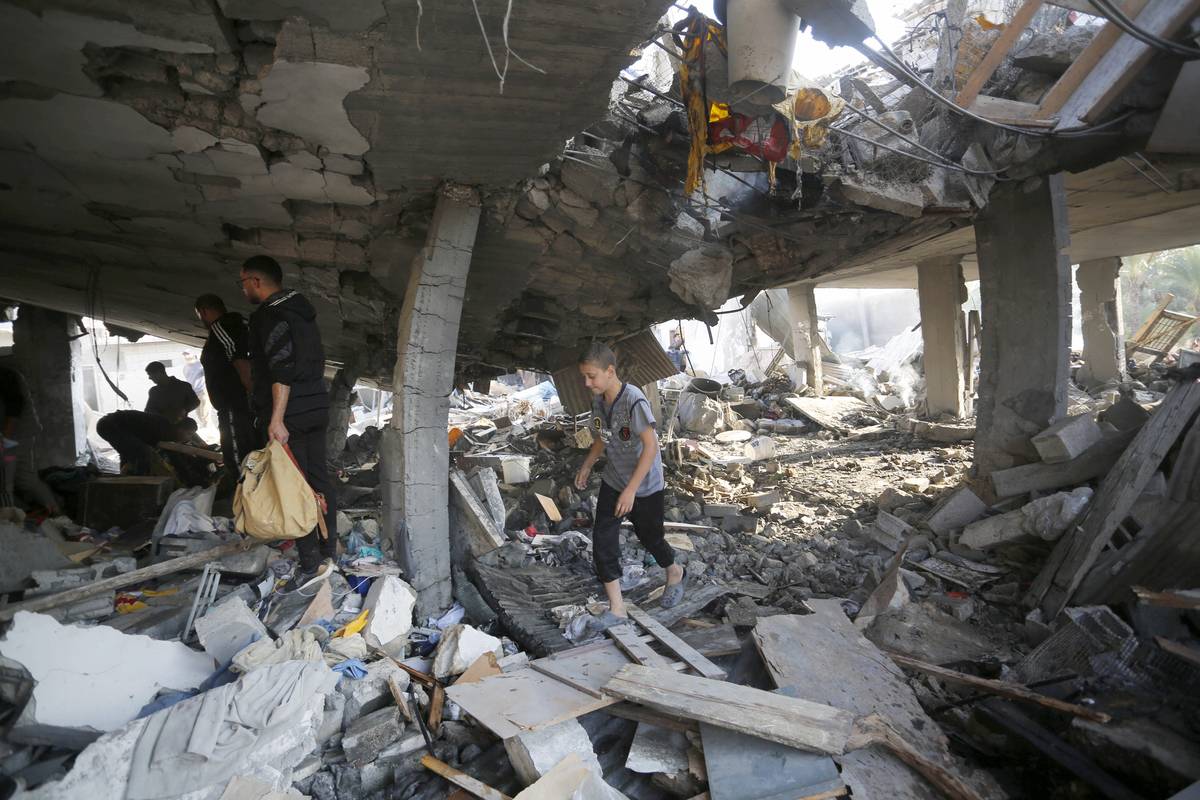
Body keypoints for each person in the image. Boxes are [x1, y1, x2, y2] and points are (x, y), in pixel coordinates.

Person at [240, 255, 337, 588]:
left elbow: (281, 369)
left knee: (295, 485)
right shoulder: (302, 311)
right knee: (319, 477)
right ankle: (329, 551)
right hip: (316, 405)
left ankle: (311, 564)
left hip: (291, 411)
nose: (243, 289)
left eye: (243, 282)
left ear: (255, 281)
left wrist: (277, 418)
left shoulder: (270, 316)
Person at [574, 342, 684, 629]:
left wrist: (632, 490)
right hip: (614, 479)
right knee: (603, 538)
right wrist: (586, 465)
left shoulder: (634, 400)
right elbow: (602, 437)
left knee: (650, 538)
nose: (587, 383)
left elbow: (651, 447)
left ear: (610, 371)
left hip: (645, 484)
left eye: (592, 376)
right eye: (584, 377)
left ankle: (674, 571)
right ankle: (617, 608)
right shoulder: (598, 401)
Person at [194, 294, 260, 481]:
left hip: (235, 403)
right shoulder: (236, 325)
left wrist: (251, 392)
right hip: (238, 403)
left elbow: (239, 357)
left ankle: (244, 492)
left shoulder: (221, 327)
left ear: (204, 311)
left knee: (237, 452)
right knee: (247, 448)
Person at [0, 365, 58, 513]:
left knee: (5, 483)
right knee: (26, 480)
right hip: (19, 434)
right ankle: (56, 512)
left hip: (16, 435)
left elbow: (15, 409)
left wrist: (4, 440)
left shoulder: (6, 375)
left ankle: (9, 524)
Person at [96, 410, 198, 476]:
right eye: (189, 434)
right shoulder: (162, 429)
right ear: (180, 429)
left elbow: (174, 456)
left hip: (112, 426)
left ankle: (127, 479)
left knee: (131, 454)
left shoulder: (167, 431)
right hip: (109, 425)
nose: (188, 439)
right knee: (143, 452)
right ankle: (139, 483)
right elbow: (172, 455)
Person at [182, 351, 214, 428]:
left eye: (188, 354)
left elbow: (209, 374)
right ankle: (210, 431)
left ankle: (209, 430)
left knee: (205, 413)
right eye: (185, 355)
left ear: (193, 355)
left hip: (203, 391)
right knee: (199, 413)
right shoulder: (185, 368)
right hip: (193, 393)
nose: (187, 356)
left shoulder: (200, 365)